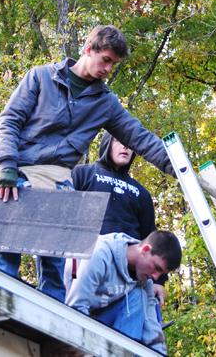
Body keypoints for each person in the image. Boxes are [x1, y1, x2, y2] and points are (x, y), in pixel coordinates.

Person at [0, 25, 175, 301]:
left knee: (56, 259)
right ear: (88, 49)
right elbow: (10, 120)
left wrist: (179, 169)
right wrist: (6, 163)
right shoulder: (41, 78)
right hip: (21, 169)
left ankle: (52, 308)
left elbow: (139, 137)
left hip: (59, 177)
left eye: (113, 64)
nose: (108, 69)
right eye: (106, 60)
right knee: (8, 245)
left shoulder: (105, 103)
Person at [69, 131, 169, 306]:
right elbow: (63, 217)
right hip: (87, 264)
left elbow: (151, 235)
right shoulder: (82, 174)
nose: (125, 147)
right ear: (107, 143)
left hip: (127, 276)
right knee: (77, 309)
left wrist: (159, 282)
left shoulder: (141, 192)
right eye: (118, 141)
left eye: (130, 144)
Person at [65, 231, 182, 355]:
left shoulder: (144, 281)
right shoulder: (100, 254)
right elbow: (76, 308)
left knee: (139, 295)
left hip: (102, 322)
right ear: (146, 249)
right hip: (72, 315)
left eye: (161, 273)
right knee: (138, 295)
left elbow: (151, 325)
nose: (155, 277)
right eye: (157, 268)